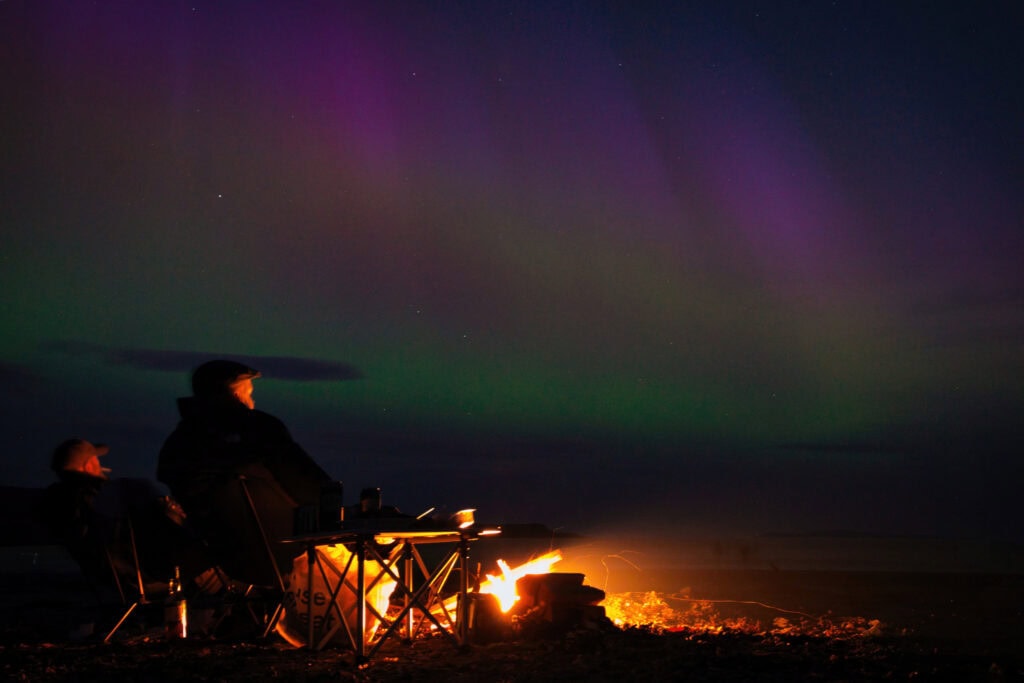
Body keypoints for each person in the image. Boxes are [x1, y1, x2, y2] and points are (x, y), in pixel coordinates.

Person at [157, 360, 333, 586]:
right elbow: (309, 484)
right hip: (286, 552)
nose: (252, 401)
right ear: (237, 395)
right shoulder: (259, 430)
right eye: (250, 394)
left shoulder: (178, 444)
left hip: (226, 556)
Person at [38, 439, 217, 596]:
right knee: (224, 561)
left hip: (109, 583)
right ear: (88, 465)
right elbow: (175, 531)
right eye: (96, 459)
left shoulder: (60, 505)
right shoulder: (119, 494)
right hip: (148, 578)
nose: (99, 464)